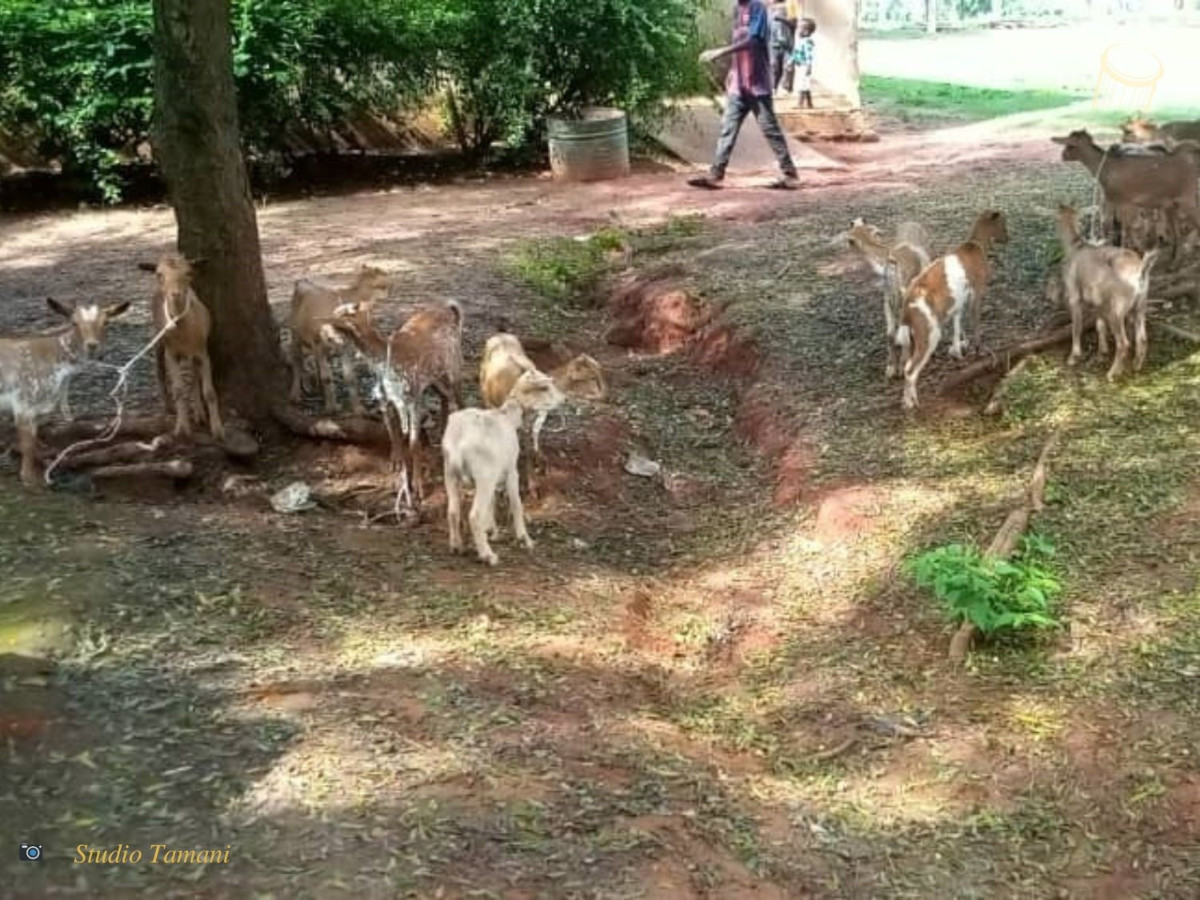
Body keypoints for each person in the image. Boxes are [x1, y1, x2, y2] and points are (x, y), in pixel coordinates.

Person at [688, 0, 800, 191]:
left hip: (757, 85)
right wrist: (732, 72)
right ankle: (716, 175)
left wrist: (720, 52)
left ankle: (790, 175)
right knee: (727, 129)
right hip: (738, 86)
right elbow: (738, 43)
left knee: (770, 129)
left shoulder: (758, 8)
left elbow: (754, 41)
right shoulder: (737, 9)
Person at [769, 1, 799, 96]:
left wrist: (782, 19)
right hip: (774, 44)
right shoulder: (770, 8)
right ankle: (774, 87)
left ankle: (787, 88)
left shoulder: (790, 4)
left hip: (788, 44)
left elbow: (794, 24)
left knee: (788, 66)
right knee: (774, 66)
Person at [793, 18, 816, 109]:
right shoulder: (801, 41)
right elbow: (795, 53)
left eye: (800, 28)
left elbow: (809, 55)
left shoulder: (807, 42)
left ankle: (800, 103)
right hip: (799, 65)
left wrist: (809, 66)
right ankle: (810, 103)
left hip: (804, 66)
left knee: (802, 85)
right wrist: (790, 61)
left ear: (806, 31)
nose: (798, 30)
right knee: (805, 85)